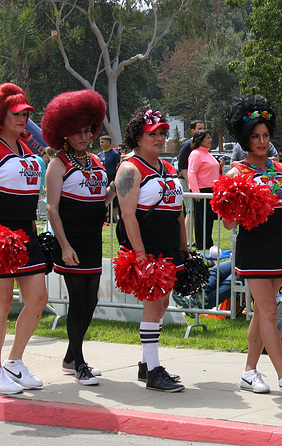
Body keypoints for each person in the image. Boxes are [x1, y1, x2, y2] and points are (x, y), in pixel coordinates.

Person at [223, 95, 282, 397]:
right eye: (255, 136)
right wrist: (236, 204)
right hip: (254, 250)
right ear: (245, 139)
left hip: (280, 249)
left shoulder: (281, 170)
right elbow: (226, 223)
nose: (261, 141)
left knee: (265, 313)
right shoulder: (237, 173)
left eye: (265, 135)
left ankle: (249, 372)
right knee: (267, 311)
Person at [0, 83, 49, 395]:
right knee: (0, 303)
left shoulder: (26, 149)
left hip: (25, 233)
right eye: (16, 113)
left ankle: (15, 361)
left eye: (26, 112)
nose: (23, 117)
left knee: (38, 299)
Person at [42, 89, 115, 386]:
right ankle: (80, 363)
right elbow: (51, 208)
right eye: (77, 132)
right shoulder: (57, 164)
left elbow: (102, 201)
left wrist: (117, 187)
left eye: (88, 130)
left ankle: (71, 357)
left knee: (92, 301)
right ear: (63, 134)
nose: (84, 137)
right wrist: (64, 245)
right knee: (78, 300)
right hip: (70, 242)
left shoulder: (96, 162)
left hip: (92, 240)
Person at [115, 107, 187, 392]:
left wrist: (184, 246)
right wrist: (141, 255)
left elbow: (178, 210)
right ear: (138, 137)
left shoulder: (167, 167)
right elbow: (128, 215)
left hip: (169, 245)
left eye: (162, 133)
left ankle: (147, 364)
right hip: (148, 247)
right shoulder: (130, 169)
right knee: (153, 305)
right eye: (152, 133)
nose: (159, 138)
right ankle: (154, 372)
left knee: (163, 304)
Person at [187, 129, 221, 250]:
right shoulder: (196, 154)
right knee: (201, 219)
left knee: (209, 219)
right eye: (207, 138)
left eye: (210, 137)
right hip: (201, 191)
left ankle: (208, 242)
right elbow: (191, 173)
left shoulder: (208, 154)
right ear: (200, 140)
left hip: (211, 191)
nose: (210, 140)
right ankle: (202, 244)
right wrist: (196, 192)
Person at [178, 120, 205, 246]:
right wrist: (191, 184)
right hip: (185, 181)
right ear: (193, 131)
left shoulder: (201, 146)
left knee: (193, 211)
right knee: (190, 210)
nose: (202, 131)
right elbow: (182, 167)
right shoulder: (188, 145)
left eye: (203, 128)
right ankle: (188, 240)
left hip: (195, 183)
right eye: (199, 128)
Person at [97, 135, 120, 226]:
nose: (101, 144)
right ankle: (103, 220)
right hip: (103, 179)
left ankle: (117, 220)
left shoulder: (114, 154)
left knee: (114, 202)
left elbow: (119, 166)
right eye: (100, 142)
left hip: (112, 178)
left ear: (108, 142)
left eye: (103, 142)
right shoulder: (100, 154)